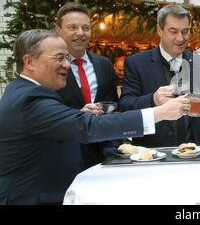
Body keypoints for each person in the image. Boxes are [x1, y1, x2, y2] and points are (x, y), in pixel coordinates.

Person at [0, 29, 190, 205]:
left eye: (66, 57)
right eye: (59, 58)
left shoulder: (24, 91)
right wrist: (159, 113)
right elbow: (88, 127)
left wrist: (78, 115)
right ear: (29, 62)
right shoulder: (30, 98)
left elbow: (56, 128)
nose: (67, 64)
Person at [119, 4, 200, 147]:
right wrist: (153, 99)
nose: (180, 38)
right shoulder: (136, 63)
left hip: (197, 150)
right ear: (160, 30)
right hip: (154, 152)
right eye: (173, 31)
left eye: (185, 31)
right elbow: (125, 105)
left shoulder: (199, 61)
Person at [55, 3, 118, 169]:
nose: (80, 33)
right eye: (72, 27)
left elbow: (113, 103)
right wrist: (79, 114)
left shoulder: (104, 64)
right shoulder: (52, 67)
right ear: (58, 30)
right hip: (65, 154)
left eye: (85, 27)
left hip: (103, 153)